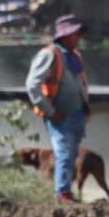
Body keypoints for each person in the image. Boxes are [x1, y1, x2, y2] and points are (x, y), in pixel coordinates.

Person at [26, 15, 91, 201]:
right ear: (65, 35)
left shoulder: (75, 56)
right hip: (59, 116)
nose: (78, 37)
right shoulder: (49, 54)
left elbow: (80, 83)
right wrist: (50, 112)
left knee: (70, 155)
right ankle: (62, 193)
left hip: (76, 114)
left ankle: (65, 192)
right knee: (63, 152)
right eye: (75, 34)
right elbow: (32, 85)